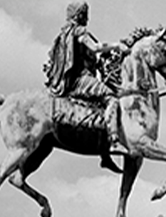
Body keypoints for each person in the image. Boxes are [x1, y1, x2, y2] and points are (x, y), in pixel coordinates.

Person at [43, 1, 128, 173]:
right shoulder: (79, 31)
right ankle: (113, 141)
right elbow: (96, 47)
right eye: (85, 13)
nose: (87, 17)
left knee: (99, 108)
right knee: (112, 99)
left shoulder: (63, 34)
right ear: (79, 15)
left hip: (71, 81)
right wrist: (117, 45)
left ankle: (105, 157)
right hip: (81, 80)